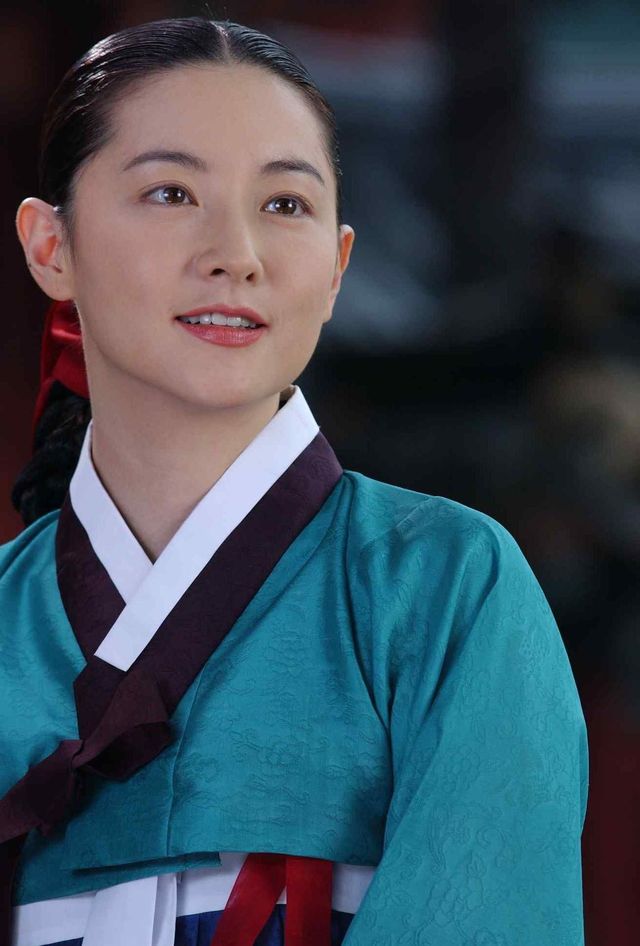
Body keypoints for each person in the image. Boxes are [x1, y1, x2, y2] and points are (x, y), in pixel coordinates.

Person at [0, 15, 588, 946]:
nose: (237, 253)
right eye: (170, 192)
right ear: (50, 247)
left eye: (284, 204)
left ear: (338, 265)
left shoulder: (444, 588)